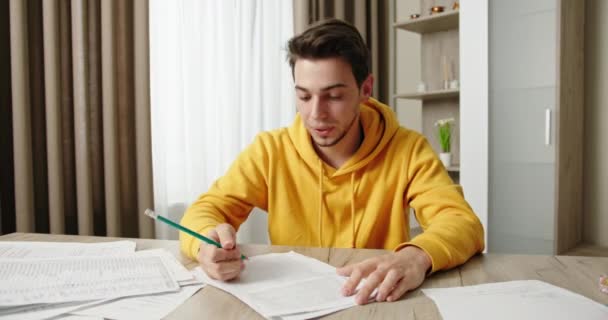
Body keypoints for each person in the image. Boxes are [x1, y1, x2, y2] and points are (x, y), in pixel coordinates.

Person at [180, 18, 484, 304]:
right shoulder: (270, 150)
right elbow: (206, 210)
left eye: (334, 96)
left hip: (375, 301)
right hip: (291, 303)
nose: (316, 114)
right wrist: (205, 243)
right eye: (304, 96)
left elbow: (462, 223)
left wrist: (416, 256)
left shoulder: (407, 149)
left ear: (365, 89)